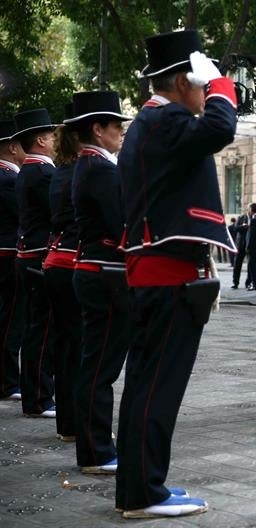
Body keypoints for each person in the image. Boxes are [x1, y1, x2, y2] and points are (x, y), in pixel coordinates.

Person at [116, 29, 237, 518]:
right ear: (182, 81)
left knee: (149, 386)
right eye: (199, 81)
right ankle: (144, 492)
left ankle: (143, 487)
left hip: (161, 273)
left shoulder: (154, 122)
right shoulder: (163, 118)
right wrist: (222, 85)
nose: (203, 92)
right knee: (156, 388)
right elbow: (218, 130)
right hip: (164, 278)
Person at [68, 91, 132, 474]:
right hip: (105, 275)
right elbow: (121, 225)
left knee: (95, 364)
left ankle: (94, 447)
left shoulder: (92, 166)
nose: (122, 133)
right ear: (98, 129)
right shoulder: (101, 170)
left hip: (96, 271)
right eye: (116, 127)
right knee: (100, 368)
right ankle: (96, 451)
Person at [13, 107, 58, 418]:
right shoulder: (43, 174)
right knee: (42, 331)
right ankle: (39, 398)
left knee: (34, 328)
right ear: (41, 139)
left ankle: (34, 394)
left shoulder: (28, 171)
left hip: (27, 254)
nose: (56, 140)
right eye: (52, 136)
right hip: (40, 256)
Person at [44, 108, 82, 442]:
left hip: (56, 260)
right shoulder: (84, 172)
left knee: (65, 345)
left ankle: (66, 424)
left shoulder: (58, 172)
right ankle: (77, 423)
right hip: (74, 262)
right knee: (82, 347)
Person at [0, 120, 24, 401]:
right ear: (12, 147)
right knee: (12, 319)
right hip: (8, 255)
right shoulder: (9, 179)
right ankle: (8, 379)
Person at [231, 204, 256, 289]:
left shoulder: (255, 219)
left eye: (251, 210)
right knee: (237, 264)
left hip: (250, 245)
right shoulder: (241, 218)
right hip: (241, 245)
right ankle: (235, 282)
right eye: (249, 210)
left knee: (250, 265)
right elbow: (236, 228)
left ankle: (248, 282)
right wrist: (243, 226)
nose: (250, 211)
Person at [245, 202, 256, 291]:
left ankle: (255, 284)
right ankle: (255, 283)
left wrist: (248, 247)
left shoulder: (254, 219)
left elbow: (252, 235)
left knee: (253, 266)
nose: (247, 211)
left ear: (251, 210)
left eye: (248, 209)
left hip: (253, 248)